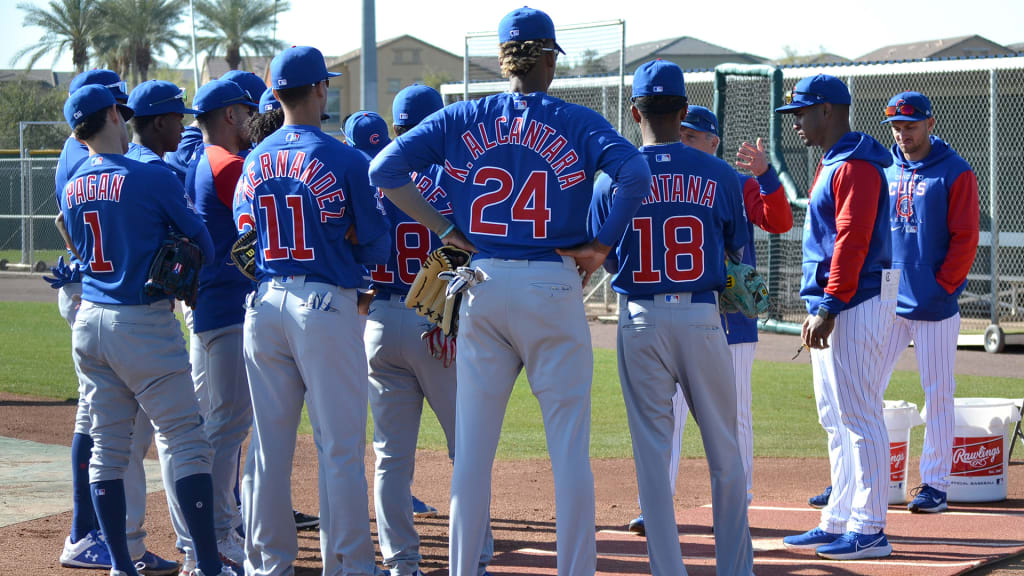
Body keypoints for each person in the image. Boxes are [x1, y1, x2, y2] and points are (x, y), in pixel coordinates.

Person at [369, 7, 652, 575]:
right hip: (551, 282)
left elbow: (384, 169)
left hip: (484, 283)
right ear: (548, 58)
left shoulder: (464, 116)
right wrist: (600, 246)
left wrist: (447, 230)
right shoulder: (577, 119)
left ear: (503, 60)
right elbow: (636, 175)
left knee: (472, 453)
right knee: (568, 448)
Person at [58, 83, 230, 576]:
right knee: (187, 441)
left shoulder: (72, 185)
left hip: (89, 321)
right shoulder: (148, 177)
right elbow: (203, 242)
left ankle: (121, 567)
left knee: (108, 449)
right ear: (113, 115)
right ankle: (210, 567)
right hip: (141, 320)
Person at [591, 61, 753, 576]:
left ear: (634, 110)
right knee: (725, 452)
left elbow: (607, 256)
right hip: (703, 317)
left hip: (639, 318)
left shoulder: (612, 179)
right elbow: (736, 252)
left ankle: (668, 569)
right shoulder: (720, 173)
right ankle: (735, 569)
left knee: (653, 457)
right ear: (684, 111)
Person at [235, 46, 390, 576]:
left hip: (264, 302)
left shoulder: (254, 158)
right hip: (322, 303)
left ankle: (268, 565)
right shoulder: (346, 157)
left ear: (275, 94)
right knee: (340, 447)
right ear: (321, 90)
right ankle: (347, 565)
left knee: (268, 449)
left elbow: (242, 242)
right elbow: (377, 247)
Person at [626, 105, 793, 536]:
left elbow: (780, 220)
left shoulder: (734, 182)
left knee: (734, 414)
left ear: (713, 142)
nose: (682, 141)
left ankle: (741, 497)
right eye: (679, 133)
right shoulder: (657, 181)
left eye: (692, 136)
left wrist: (767, 176)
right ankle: (654, 504)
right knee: (670, 415)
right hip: (681, 315)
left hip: (731, 319)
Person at [359, 85, 492, 576]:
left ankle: (400, 563)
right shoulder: (451, 174)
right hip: (438, 324)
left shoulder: (375, 177)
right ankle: (474, 558)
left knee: (390, 456)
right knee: (467, 447)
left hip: (379, 316)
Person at [52, 69, 180, 576]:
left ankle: (92, 534)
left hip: (91, 288)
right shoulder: (90, 151)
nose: (123, 115)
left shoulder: (79, 146)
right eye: (117, 104)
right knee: (104, 423)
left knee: (100, 419)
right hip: (100, 294)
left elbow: (68, 220)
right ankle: (91, 534)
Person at [777, 74, 895, 560]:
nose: (796, 123)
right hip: (838, 298)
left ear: (828, 110)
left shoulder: (858, 165)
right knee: (835, 415)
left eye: (802, 113)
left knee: (860, 411)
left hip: (857, 299)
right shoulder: (835, 160)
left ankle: (871, 528)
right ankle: (840, 517)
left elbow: (852, 239)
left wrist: (829, 304)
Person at [879, 91, 979, 513]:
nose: (903, 134)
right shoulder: (884, 167)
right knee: (864, 388)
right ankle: (853, 475)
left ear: (930, 123)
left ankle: (935, 484)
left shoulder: (955, 171)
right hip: (886, 298)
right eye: (897, 127)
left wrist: (943, 288)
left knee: (937, 393)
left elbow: (966, 238)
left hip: (934, 300)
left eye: (911, 126)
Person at [186, 78, 259, 568]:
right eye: (250, 110)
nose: (256, 118)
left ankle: (204, 536)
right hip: (228, 309)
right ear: (230, 115)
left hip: (211, 307)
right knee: (226, 427)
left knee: (215, 426)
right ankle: (215, 534)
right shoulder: (228, 164)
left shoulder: (202, 160)